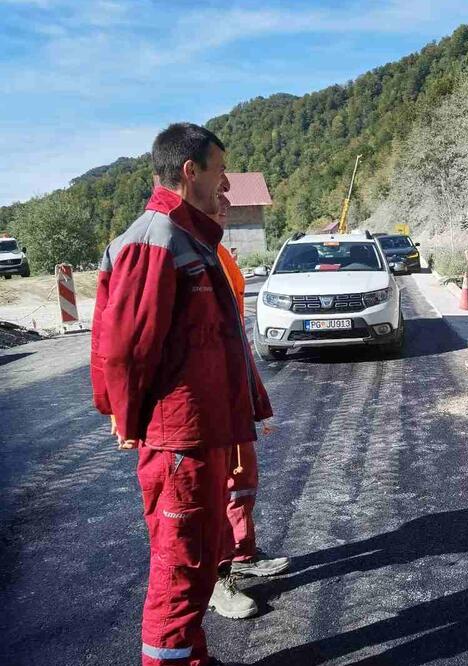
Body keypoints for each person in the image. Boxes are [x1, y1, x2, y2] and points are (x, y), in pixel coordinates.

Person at [91, 122, 272, 666]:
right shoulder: (156, 239)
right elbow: (124, 347)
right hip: (180, 438)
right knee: (179, 571)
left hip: (204, 430)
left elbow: (219, 340)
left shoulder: (191, 238)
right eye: (219, 175)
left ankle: (193, 657)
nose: (226, 188)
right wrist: (125, 415)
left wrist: (251, 405)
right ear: (189, 171)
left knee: (195, 565)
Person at [208, 193, 290, 621]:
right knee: (211, 489)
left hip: (233, 381)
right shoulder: (191, 251)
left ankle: (241, 553)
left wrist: (249, 390)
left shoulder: (220, 252)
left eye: (227, 203)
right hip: (206, 395)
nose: (225, 208)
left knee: (241, 477)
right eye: (216, 201)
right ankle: (216, 575)